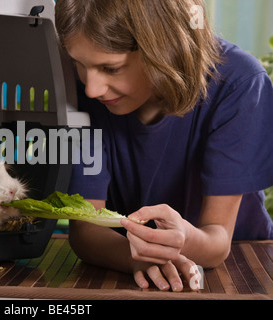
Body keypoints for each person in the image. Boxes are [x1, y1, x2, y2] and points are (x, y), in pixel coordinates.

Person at [55, 0, 273, 292]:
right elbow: (86, 227)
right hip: (133, 268)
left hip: (240, 264)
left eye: (111, 68)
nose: (92, 88)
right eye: (78, 64)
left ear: (163, 50)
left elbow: (217, 239)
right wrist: (141, 260)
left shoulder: (239, 83)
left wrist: (183, 241)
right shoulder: (81, 90)